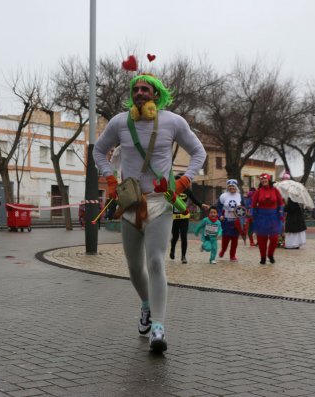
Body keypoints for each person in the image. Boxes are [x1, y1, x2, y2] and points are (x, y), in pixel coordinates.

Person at [93, 73, 206, 353]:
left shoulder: (173, 121)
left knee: (155, 261)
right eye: (136, 89)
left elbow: (199, 153)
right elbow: (98, 151)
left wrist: (184, 180)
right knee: (134, 266)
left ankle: (159, 327)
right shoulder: (120, 122)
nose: (140, 92)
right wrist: (109, 178)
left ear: (156, 94)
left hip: (161, 200)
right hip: (131, 202)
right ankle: (145, 304)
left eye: (146, 89)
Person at [169, 173, 209, 263]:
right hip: (175, 217)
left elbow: (194, 199)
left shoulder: (187, 191)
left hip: (184, 216)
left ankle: (183, 256)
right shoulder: (172, 190)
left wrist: (201, 205)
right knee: (175, 236)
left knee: (183, 236)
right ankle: (172, 249)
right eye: (176, 181)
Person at [251, 173, 284, 264]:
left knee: (274, 238)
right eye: (261, 179)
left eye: (265, 179)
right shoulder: (258, 191)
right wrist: (253, 215)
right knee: (262, 238)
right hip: (261, 217)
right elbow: (253, 205)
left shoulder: (275, 190)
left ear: (268, 180)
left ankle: (270, 254)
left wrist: (281, 212)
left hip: (273, 217)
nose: (263, 180)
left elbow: (281, 203)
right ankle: (262, 257)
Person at [217, 179, 242, 261]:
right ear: (228, 187)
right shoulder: (223, 196)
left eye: (233, 186)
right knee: (225, 238)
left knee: (235, 240)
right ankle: (223, 250)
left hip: (236, 221)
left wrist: (243, 215)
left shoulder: (239, 196)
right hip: (226, 220)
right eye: (230, 186)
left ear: (236, 187)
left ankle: (232, 255)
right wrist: (220, 215)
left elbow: (244, 207)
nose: (231, 187)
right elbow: (219, 208)